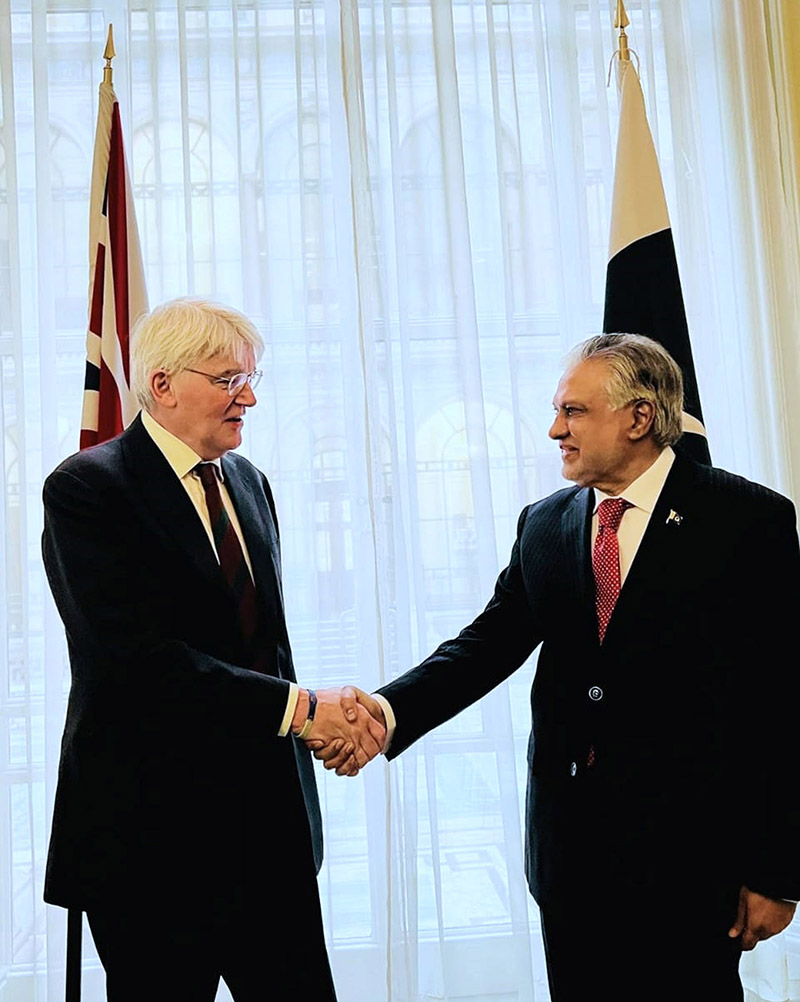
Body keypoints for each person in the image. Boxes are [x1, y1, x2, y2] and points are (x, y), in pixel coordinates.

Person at [315, 333, 800, 1001]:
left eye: (573, 412)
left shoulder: (747, 519)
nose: (553, 430)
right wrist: (385, 711)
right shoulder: (544, 524)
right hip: (570, 854)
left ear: (637, 417)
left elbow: (780, 702)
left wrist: (776, 871)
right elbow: (483, 646)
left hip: (690, 858)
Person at [42, 297, 385, 1001]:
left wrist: (324, 722)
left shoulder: (249, 485)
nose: (249, 397)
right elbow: (134, 667)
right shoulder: (87, 490)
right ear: (162, 385)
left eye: (251, 379)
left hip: (270, 837)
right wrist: (302, 710)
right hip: (152, 848)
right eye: (229, 379)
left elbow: (264, 652)